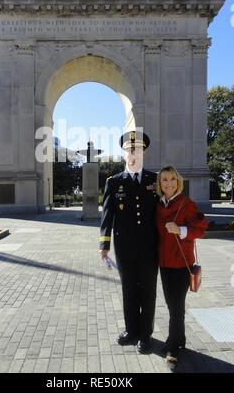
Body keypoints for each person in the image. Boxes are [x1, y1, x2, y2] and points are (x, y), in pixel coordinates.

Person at [99, 130, 159, 354]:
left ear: (144, 152)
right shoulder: (114, 182)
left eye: (138, 149)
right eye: (130, 150)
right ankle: (131, 330)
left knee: (148, 292)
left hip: (150, 248)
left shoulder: (155, 180)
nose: (134, 153)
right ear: (124, 153)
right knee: (129, 291)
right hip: (124, 248)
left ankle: (146, 335)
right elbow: (107, 216)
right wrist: (104, 246)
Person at [156, 165, 208, 368]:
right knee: (172, 305)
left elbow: (201, 230)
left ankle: (173, 347)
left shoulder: (187, 204)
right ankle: (180, 340)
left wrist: (181, 230)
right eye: (164, 180)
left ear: (178, 181)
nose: (168, 183)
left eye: (172, 179)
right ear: (160, 184)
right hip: (164, 264)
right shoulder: (159, 205)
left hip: (181, 264)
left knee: (176, 307)